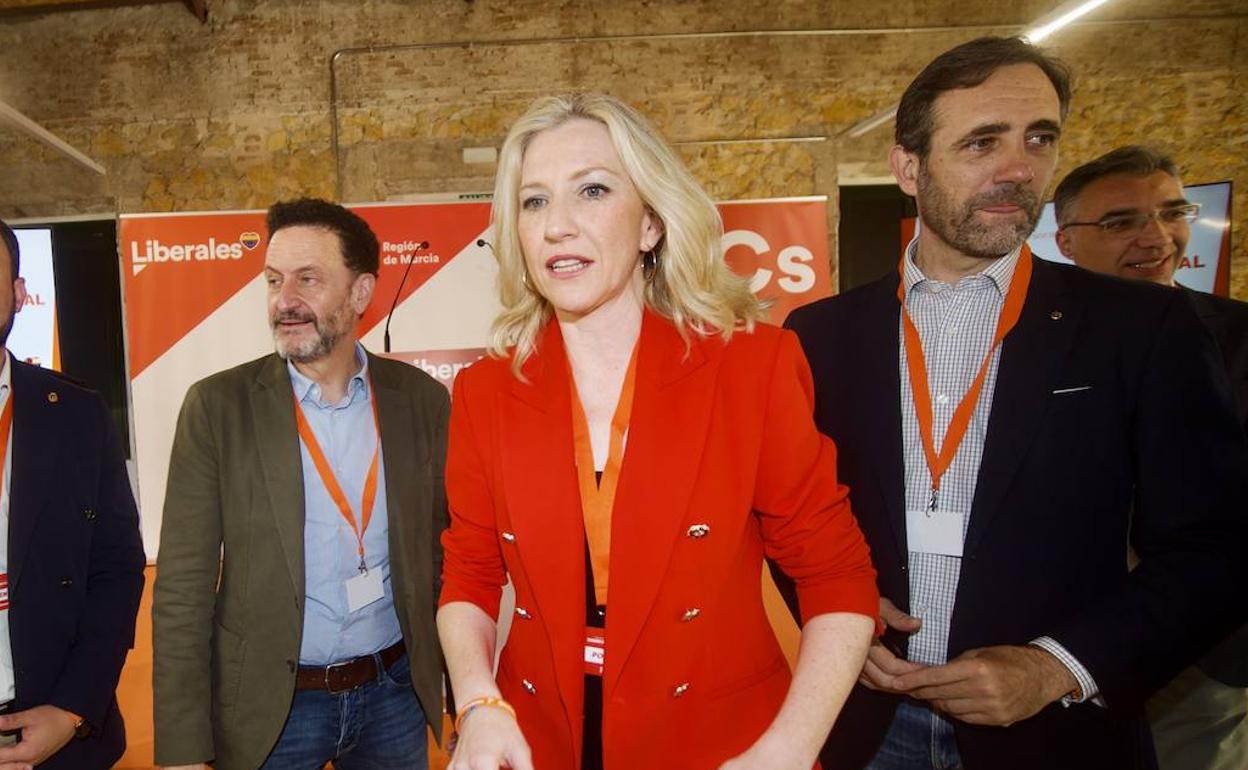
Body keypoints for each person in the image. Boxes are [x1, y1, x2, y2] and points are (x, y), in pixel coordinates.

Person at [782, 37, 1248, 770]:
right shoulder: (819, 335)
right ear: (909, 167)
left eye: (1039, 139)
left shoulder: (1143, 329)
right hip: (864, 725)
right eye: (981, 143)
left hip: (1053, 735)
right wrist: (834, 607)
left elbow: (1217, 547)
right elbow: (786, 515)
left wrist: (1057, 667)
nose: (1017, 168)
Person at [436, 92, 879, 770]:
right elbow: (469, 575)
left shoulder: (750, 366)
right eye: (533, 202)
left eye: (591, 190)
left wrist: (787, 750)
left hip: (725, 742)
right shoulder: (485, 391)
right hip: (537, 740)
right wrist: (477, 702)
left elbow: (839, 578)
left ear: (649, 224)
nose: (557, 226)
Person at [153, 199, 449, 770]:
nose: (283, 301)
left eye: (307, 280)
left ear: (360, 293)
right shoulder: (218, 408)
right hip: (272, 709)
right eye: (273, 280)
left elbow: (445, 556)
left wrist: (461, 694)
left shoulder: (421, 401)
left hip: (394, 696)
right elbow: (182, 589)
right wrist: (182, 748)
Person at [1055, 145, 1248, 770]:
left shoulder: (1240, 339)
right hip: (1055, 647)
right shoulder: (1032, 345)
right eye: (1120, 222)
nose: (1156, 235)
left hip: (1204, 658)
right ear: (1065, 241)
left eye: (1171, 212)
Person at [0, 219, 144, 769]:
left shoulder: (78, 414)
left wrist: (73, 709)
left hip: (61, 733)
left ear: (17, 293)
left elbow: (117, 568)